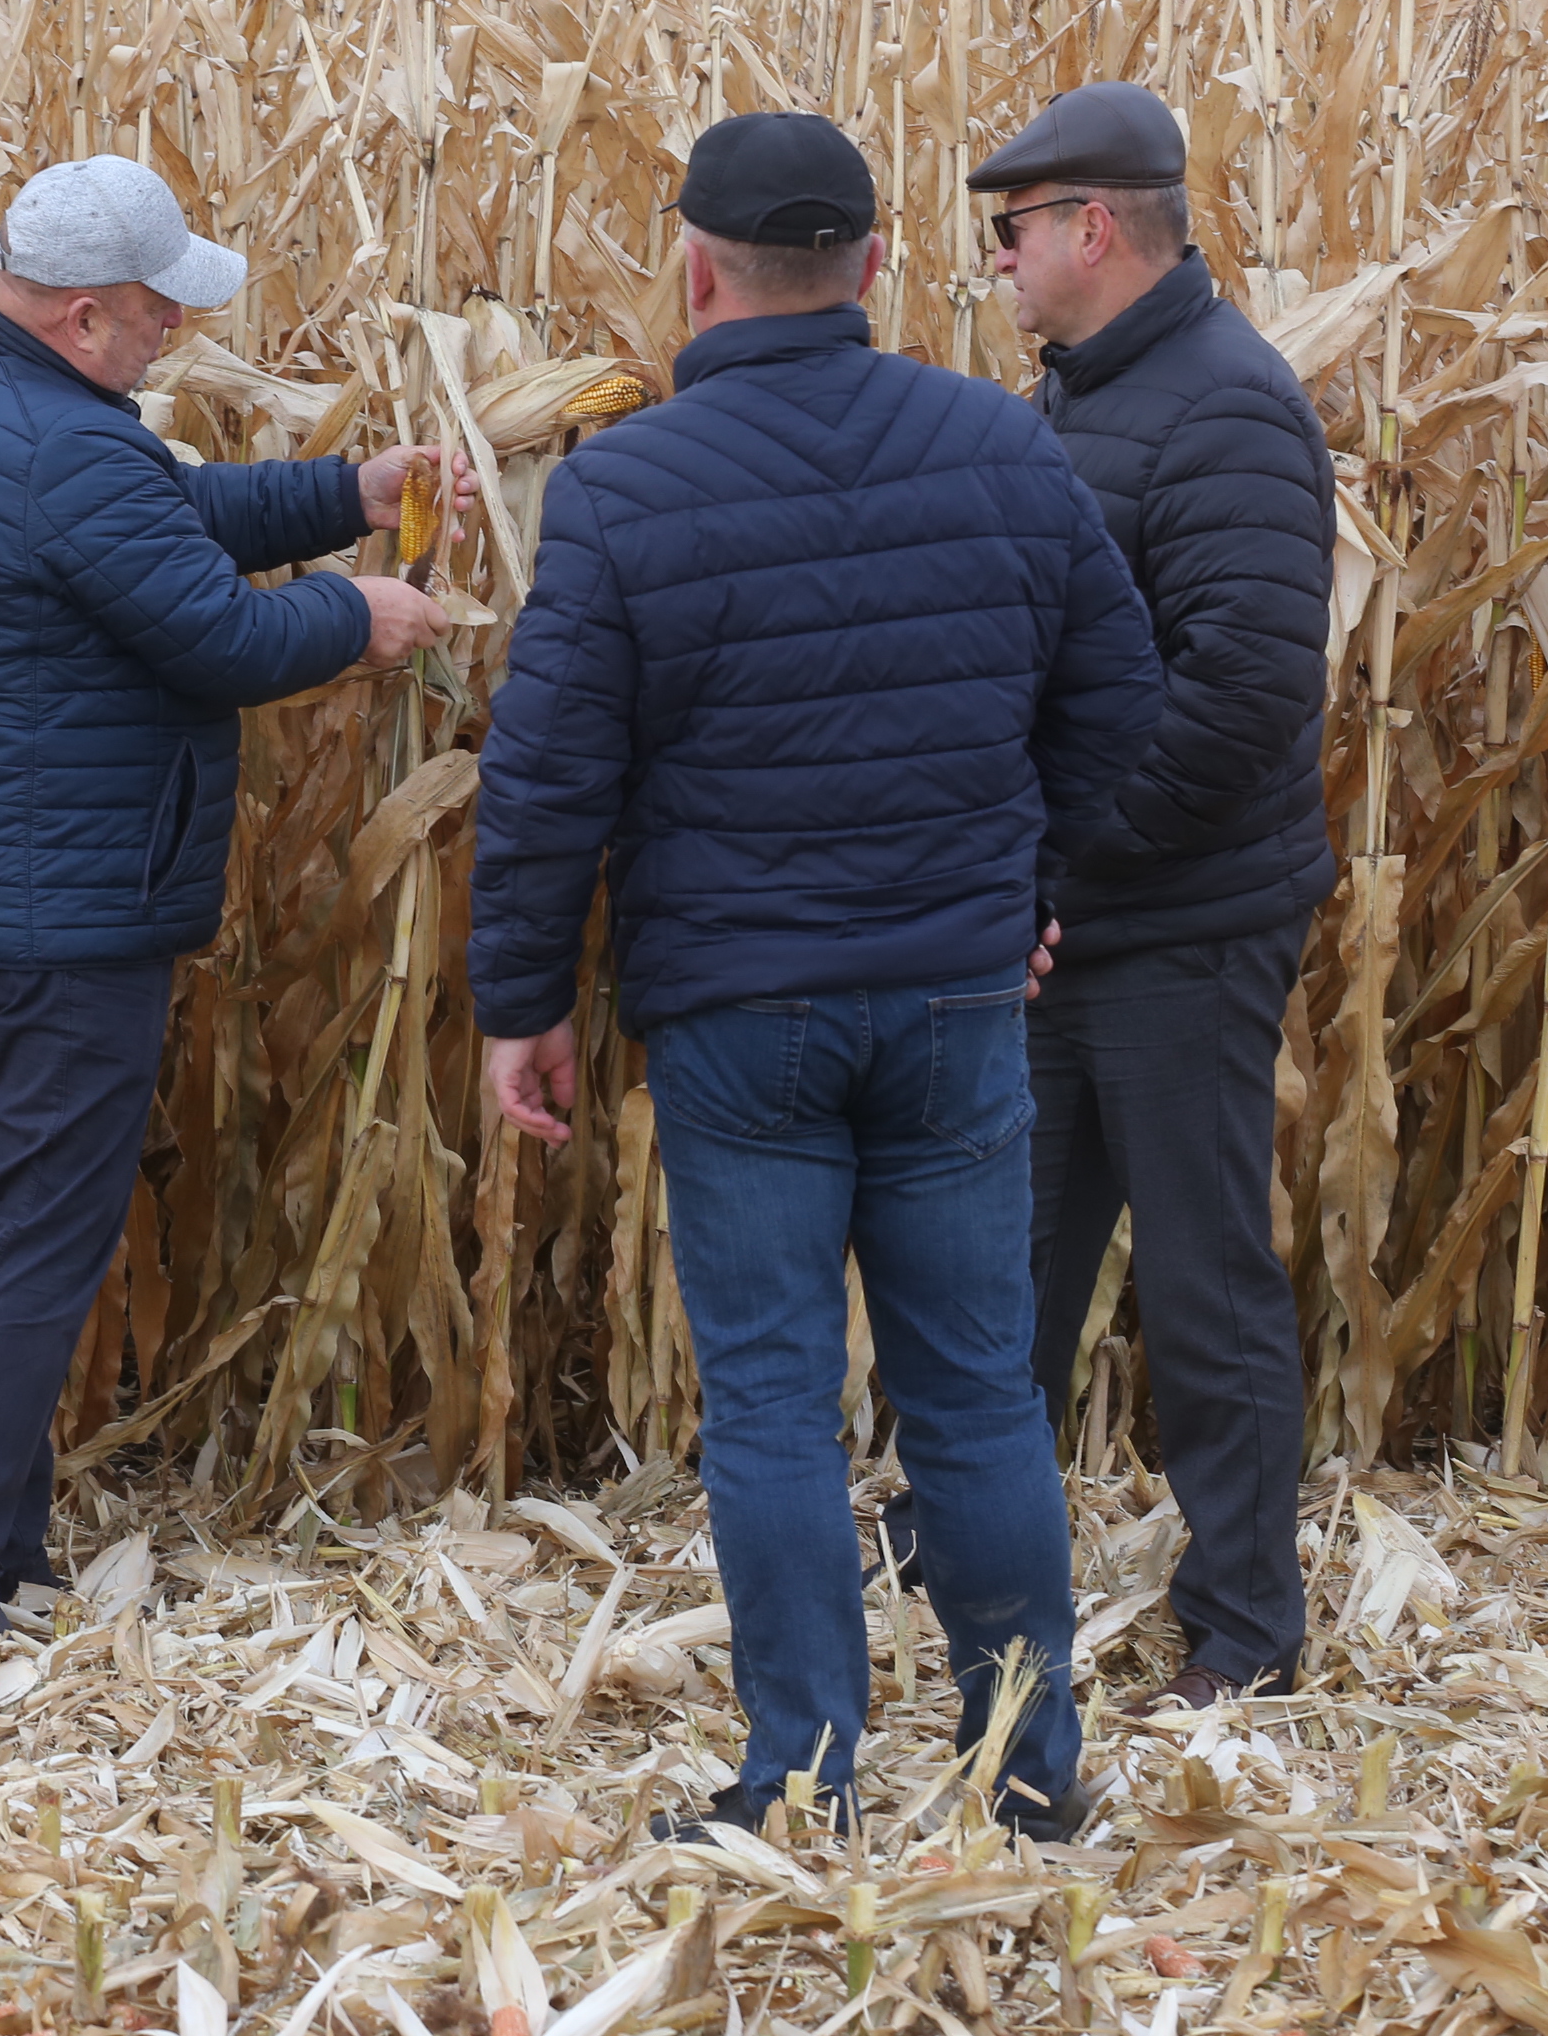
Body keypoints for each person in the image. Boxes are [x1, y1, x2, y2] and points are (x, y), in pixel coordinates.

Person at [467, 111, 1161, 1841]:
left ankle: (799, 1787)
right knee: (978, 1394)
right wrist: (1022, 885)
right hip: (952, 1001)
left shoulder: (622, 490)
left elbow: (548, 780)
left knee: (773, 1402)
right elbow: (1121, 707)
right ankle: (1029, 1771)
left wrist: (521, 1002)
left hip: (741, 1015)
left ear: (695, 274)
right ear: (874, 266)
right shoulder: (1003, 448)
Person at [0, 153, 462, 1624]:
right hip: (55, 921)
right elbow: (221, 640)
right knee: (36, 1235)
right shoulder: (66, 448)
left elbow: (167, 520)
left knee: (17, 1220)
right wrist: (359, 614)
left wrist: (345, 494)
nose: (176, 333)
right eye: (156, 311)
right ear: (83, 316)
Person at [966, 79, 1338, 1710]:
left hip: (1180, 926)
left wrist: (1063, 862)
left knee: (1201, 1281)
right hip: (1076, 920)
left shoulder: (1225, 410)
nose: (1000, 260)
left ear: (1094, 229)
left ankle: (1245, 1625)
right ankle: (971, 1552)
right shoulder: (1082, 397)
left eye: (1014, 232)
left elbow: (1240, 697)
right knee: (1011, 1264)